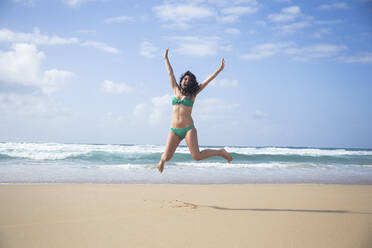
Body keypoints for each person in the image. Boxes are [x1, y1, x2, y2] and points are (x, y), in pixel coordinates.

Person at [157, 48, 232, 173]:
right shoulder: (175, 89)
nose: (186, 81)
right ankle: (161, 162)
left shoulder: (193, 94)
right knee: (166, 157)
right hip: (174, 130)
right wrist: (166, 59)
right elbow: (170, 73)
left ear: (191, 83)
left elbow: (208, 80)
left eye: (189, 80)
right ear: (181, 80)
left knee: (196, 156)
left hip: (188, 129)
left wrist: (219, 69)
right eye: (185, 79)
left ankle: (220, 152)